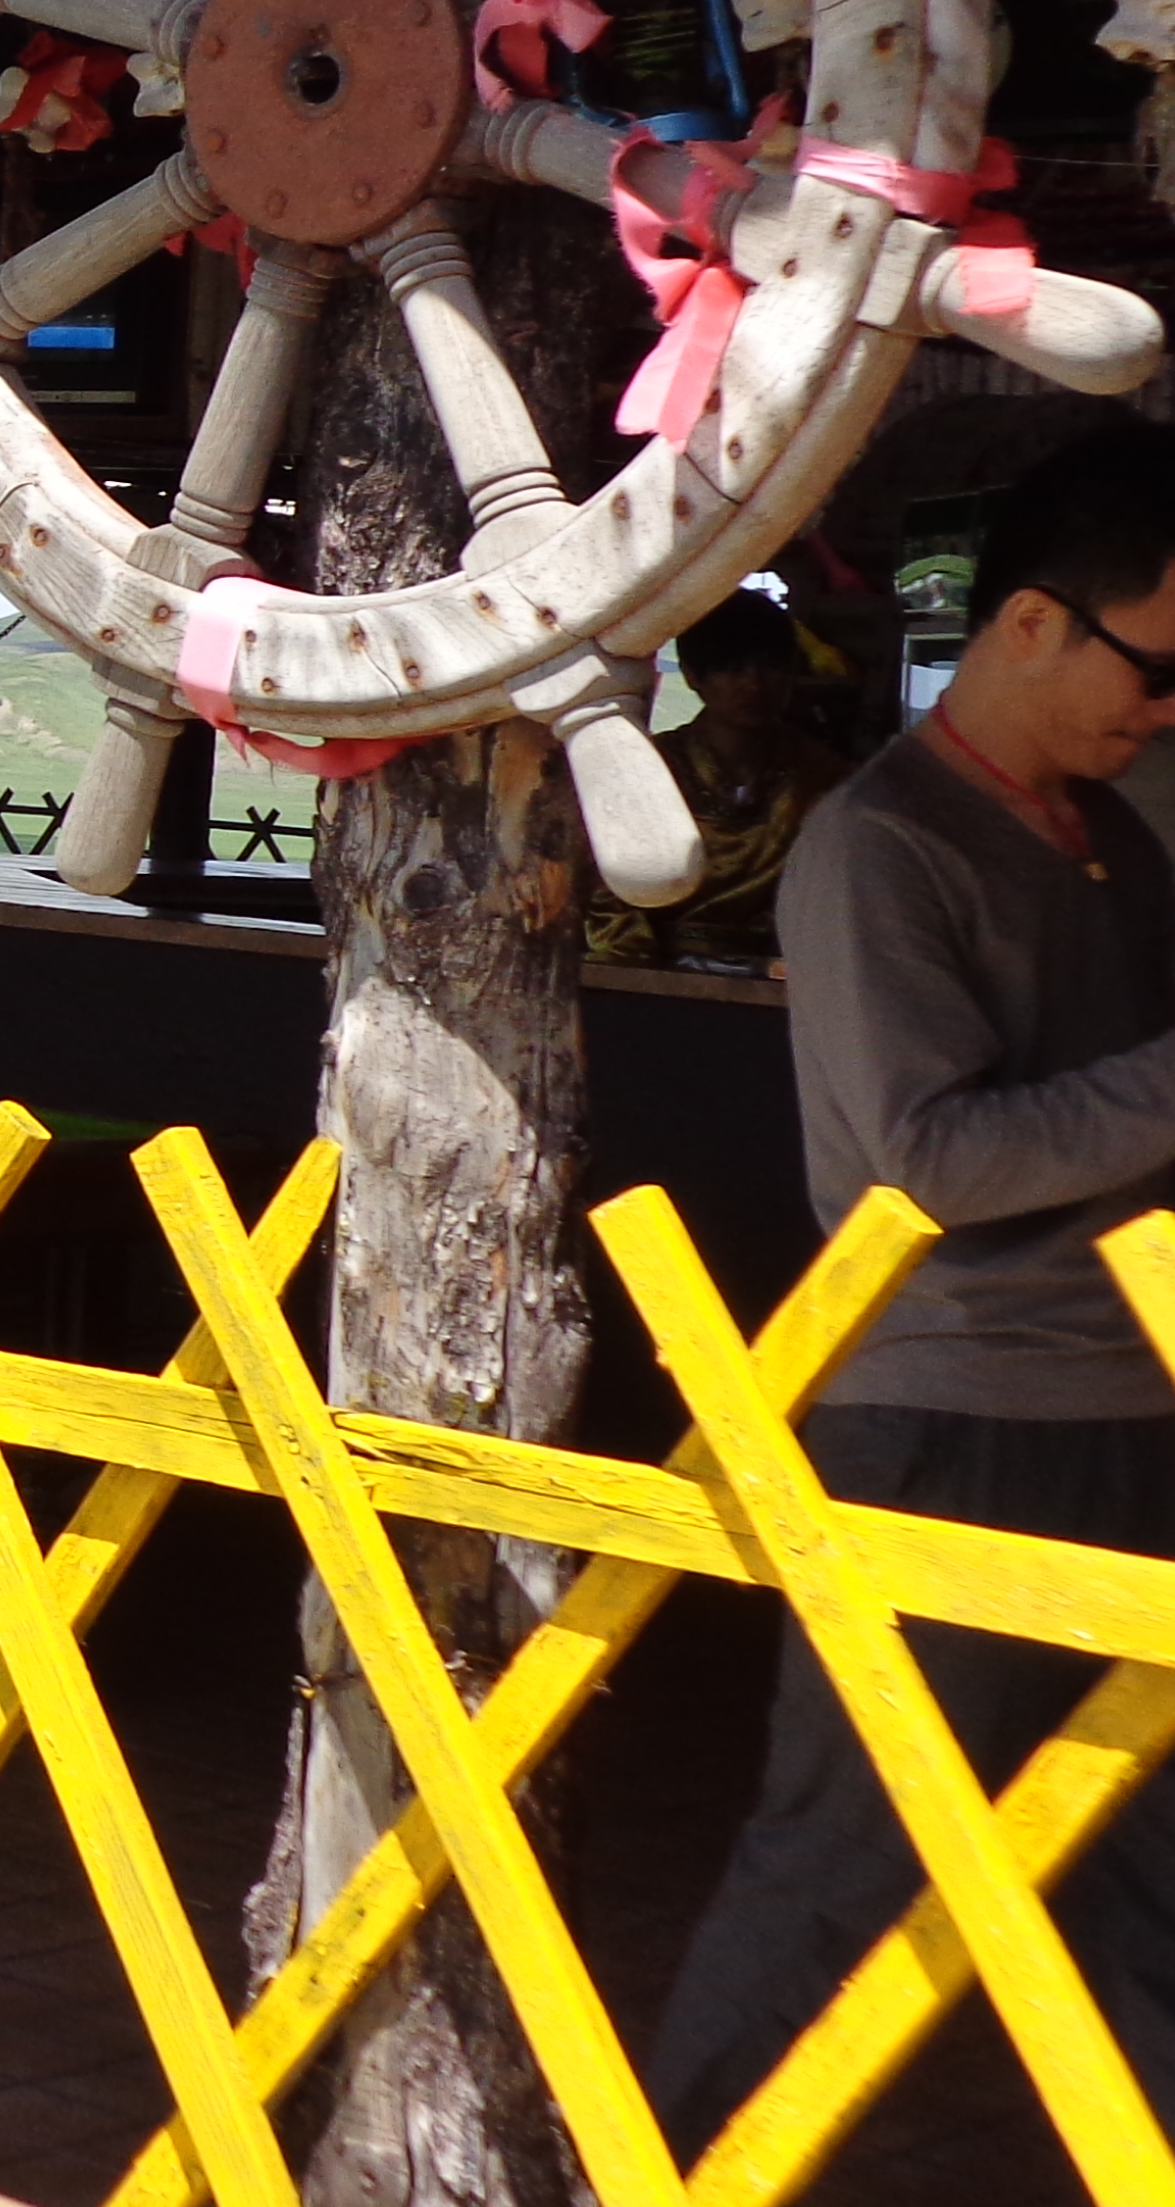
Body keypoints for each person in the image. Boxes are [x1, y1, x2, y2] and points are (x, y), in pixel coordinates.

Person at [650, 422, 1175, 2138]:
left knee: (1143, 1874)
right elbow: (922, 1166)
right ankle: (664, 2171)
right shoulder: (877, 848)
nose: (1162, 710)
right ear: (1027, 621)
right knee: (842, 1858)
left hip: (1130, 1404)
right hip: (944, 1420)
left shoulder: (1112, 839)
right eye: (1152, 666)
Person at [585, 589, 849, 973]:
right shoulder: (646, 773)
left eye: (770, 667)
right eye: (732, 669)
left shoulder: (826, 777)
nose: (753, 685)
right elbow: (607, 895)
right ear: (693, 675)